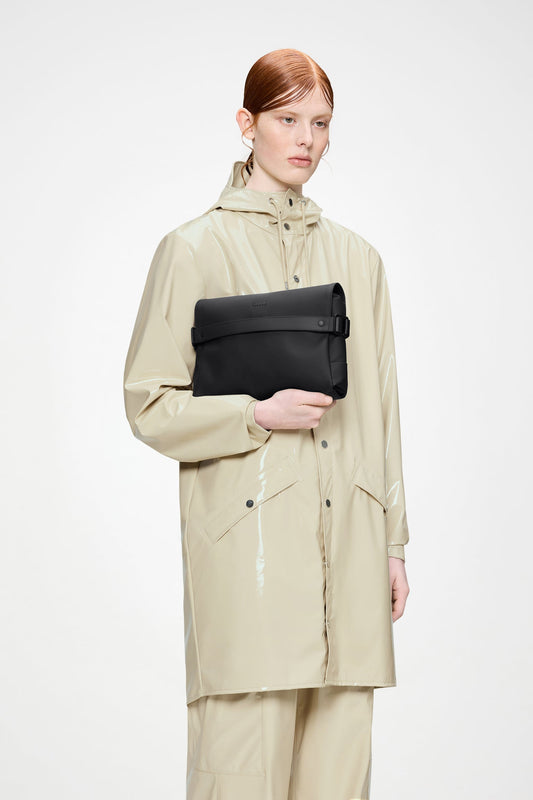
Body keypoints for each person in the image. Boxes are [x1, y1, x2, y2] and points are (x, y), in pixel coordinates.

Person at [123, 48, 410, 800]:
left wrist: (391, 544)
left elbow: (381, 413)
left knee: (338, 784)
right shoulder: (192, 249)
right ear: (246, 124)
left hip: (350, 557)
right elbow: (148, 402)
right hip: (245, 562)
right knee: (240, 779)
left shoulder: (359, 260)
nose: (306, 139)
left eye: (321, 123)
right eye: (287, 119)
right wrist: (255, 415)